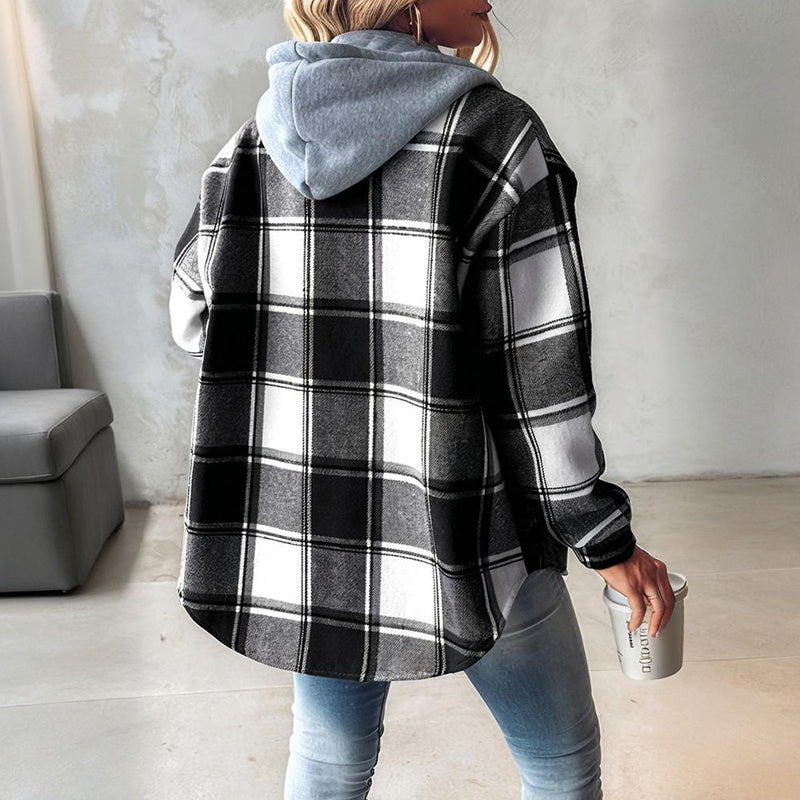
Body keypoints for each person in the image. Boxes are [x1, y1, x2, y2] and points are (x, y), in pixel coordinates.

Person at [168, 1, 676, 797]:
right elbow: (538, 377)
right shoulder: (494, 137)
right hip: (469, 526)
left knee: (329, 755)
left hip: (315, 532)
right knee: (557, 760)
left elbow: (193, 312)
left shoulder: (257, 141)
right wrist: (602, 538)